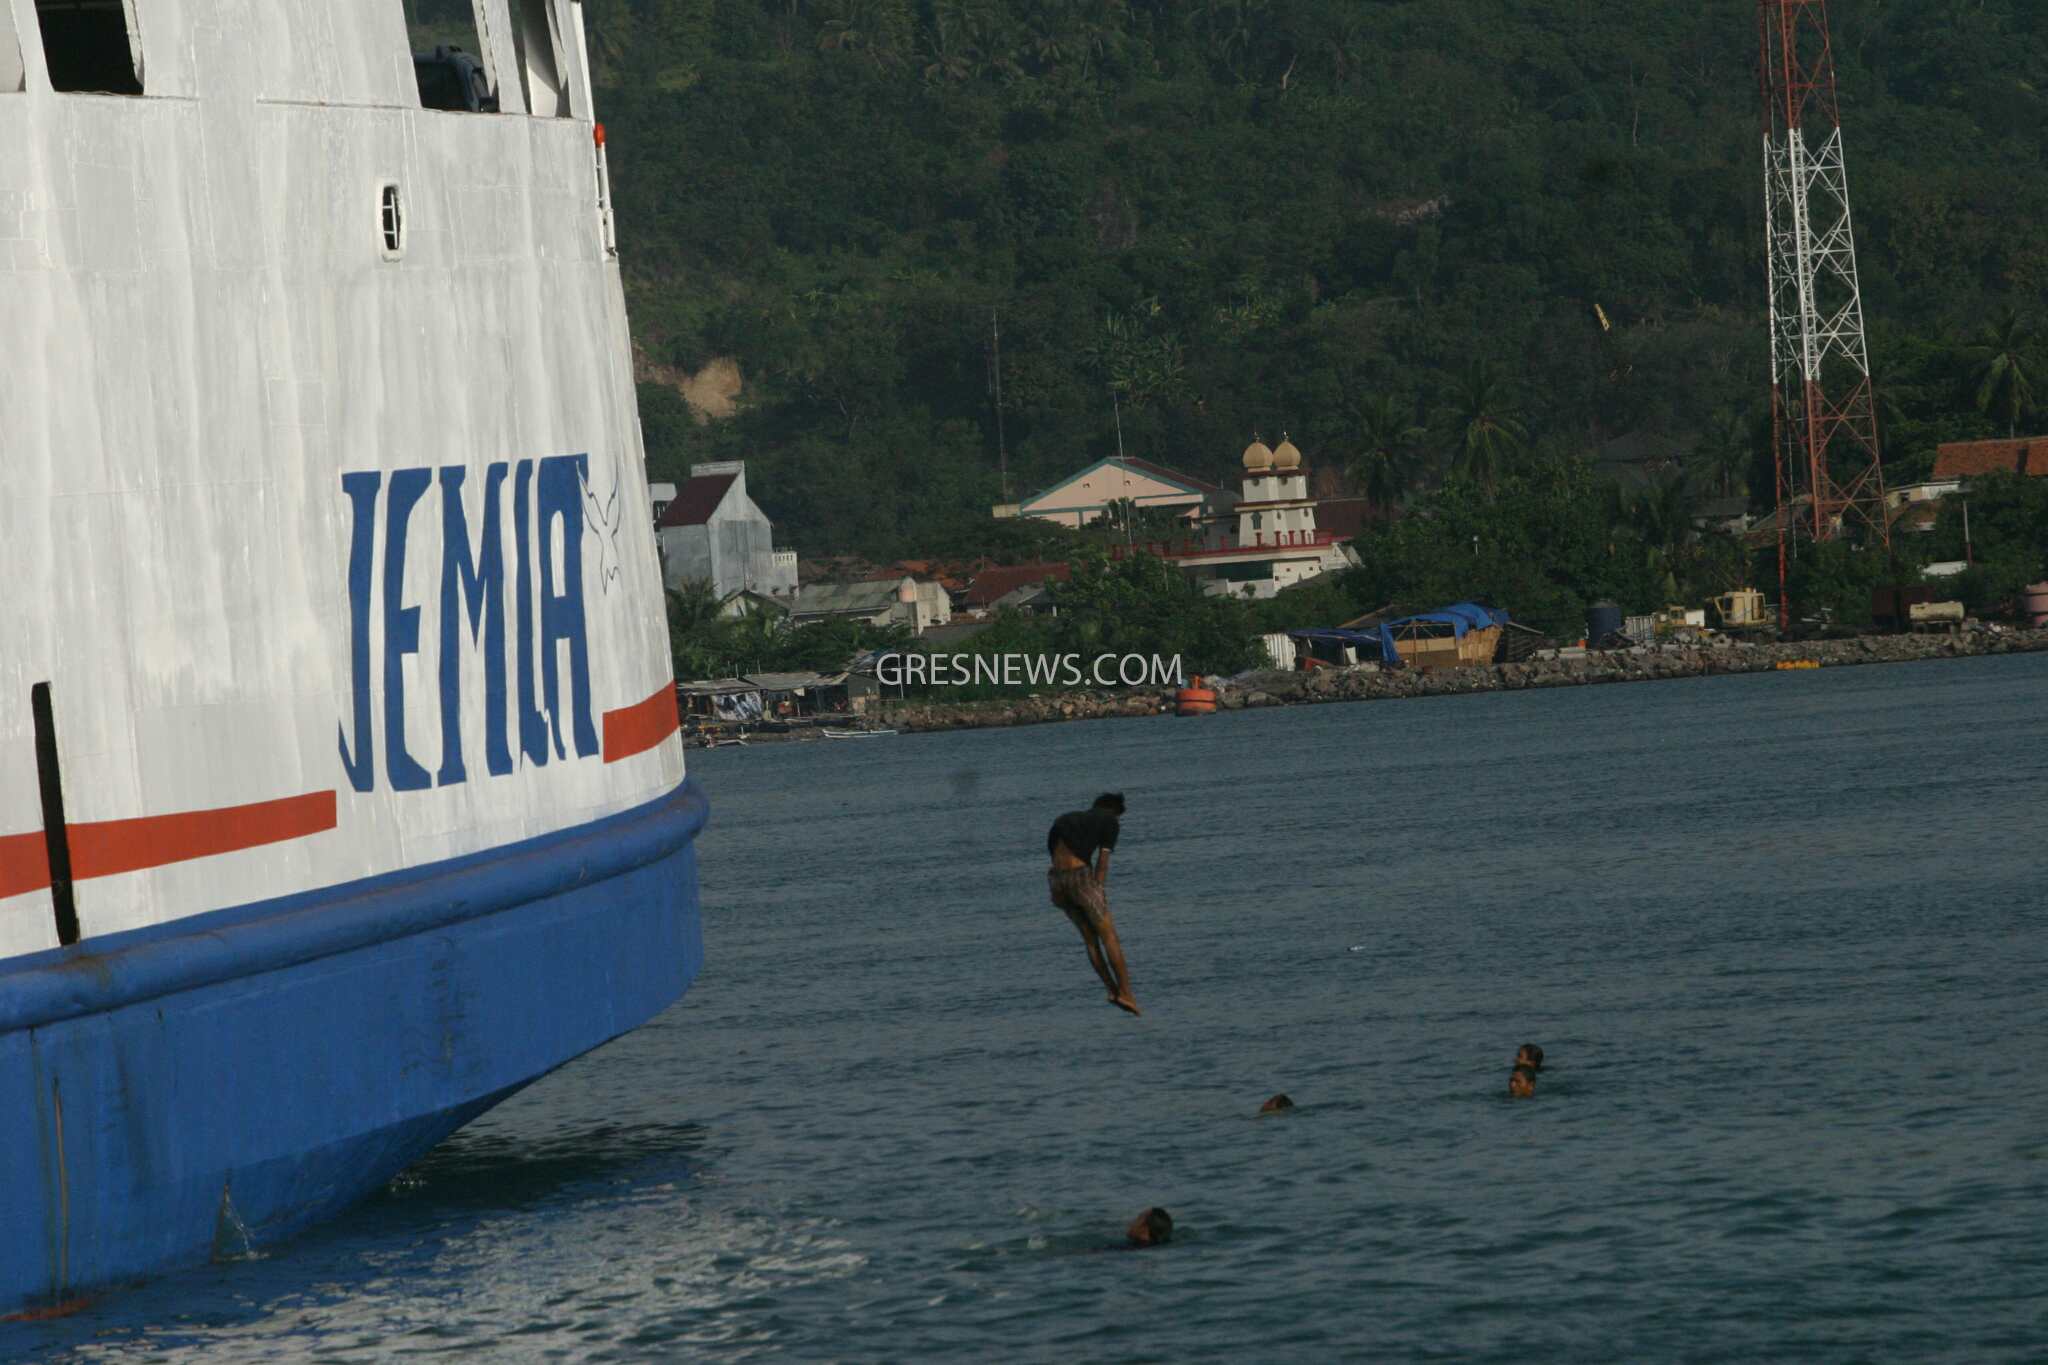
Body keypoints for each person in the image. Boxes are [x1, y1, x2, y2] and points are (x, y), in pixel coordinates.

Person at [1047, 792, 1138, 1015]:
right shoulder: (1110, 821)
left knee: (1090, 940)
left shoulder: (1064, 819)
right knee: (1109, 936)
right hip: (1081, 878)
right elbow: (1103, 863)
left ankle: (1111, 990)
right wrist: (1099, 889)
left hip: (1056, 882)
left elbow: (1053, 852)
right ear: (1114, 811)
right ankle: (1126, 993)